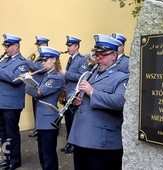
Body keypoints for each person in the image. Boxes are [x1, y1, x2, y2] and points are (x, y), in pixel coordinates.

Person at [68, 34, 129, 170]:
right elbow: (82, 97)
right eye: (96, 55)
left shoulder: (122, 77)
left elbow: (120, 101)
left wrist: (92, 92)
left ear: (114, 55)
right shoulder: (91, 74)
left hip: (102, 143)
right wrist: (76, 100)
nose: (98, 59)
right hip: (80, 138)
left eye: (103, 55)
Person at [25, 46, 65, 170]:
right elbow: (35, 85)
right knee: (42, 154)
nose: (42, 63)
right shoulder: (46, 75)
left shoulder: (56, 77)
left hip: (49, 121)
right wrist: (27, 78)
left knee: (49, 156)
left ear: (54, 60)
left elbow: (38, 93)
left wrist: (25, 84)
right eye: (41, 61)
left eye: (45, 60)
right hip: (42, 120)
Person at [0, 34, 29, 170]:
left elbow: (15, 79)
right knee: (2, 133)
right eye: (5, 46)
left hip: (12, 104)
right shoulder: (4, 61)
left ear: (16, 46)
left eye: (9, 45)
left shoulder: (23, 62)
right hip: (1, 102)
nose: (6, 48)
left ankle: (15, 159)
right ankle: (6, 158)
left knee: (11, 133)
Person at [60, 35, 88, 154]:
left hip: (75, 94)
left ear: (77, 46)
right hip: (68, 94)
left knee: (73, 121)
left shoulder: (82, 60)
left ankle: (74, 144)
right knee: (68, 120)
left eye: (70, 45)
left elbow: (82, 76)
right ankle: (69, 142)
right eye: (68, 45)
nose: (68, 47)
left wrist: (66, 74)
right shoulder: (71, 59)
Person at [27, 36, 49, 138]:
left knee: (41, 109)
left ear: (45, 44)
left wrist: (28, 62)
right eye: (38, 45)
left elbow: (40, 68)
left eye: (40, 44)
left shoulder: (47, 57)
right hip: (35, 85)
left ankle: (42, 130)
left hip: (42, 87)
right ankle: (38, 128)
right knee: (35, 108)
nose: (38, 47)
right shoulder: (39, 57)